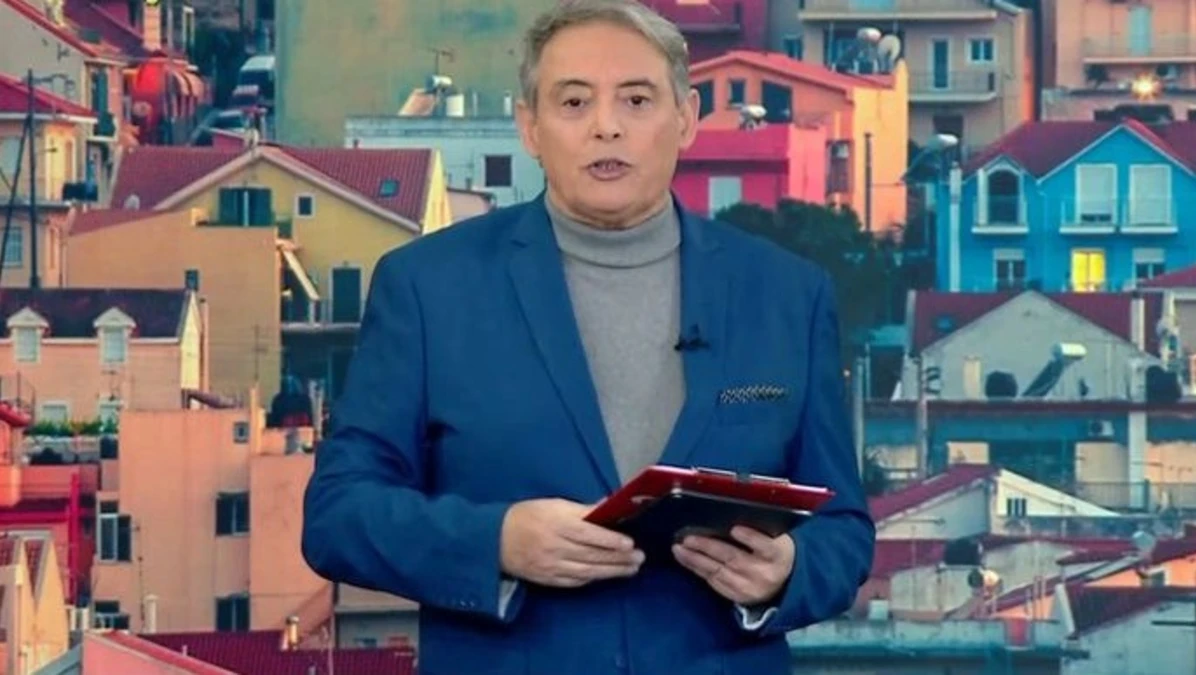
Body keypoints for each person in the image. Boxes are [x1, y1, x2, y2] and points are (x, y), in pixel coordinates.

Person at [300, 1, 874, 673]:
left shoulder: (787, 294)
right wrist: (497, 542)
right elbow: (338, 514)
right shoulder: (428, 287)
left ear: (686, 117)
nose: (607, 126)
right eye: (574, 102)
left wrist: (788, 571)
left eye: (637, 100)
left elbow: (844, 532)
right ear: (530, 126)